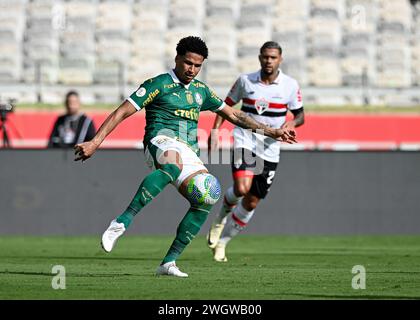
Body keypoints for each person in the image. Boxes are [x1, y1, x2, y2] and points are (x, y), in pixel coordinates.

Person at [74, 36, 297, 278]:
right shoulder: (158, 84)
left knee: (208, 195)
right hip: (160, 141)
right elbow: (121, 112)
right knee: (173, 161)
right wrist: (96, 142)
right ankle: (121, 222)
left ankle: (168, 262)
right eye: (188, 63)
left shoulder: (201, 91)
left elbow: (235, 115)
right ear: (177, 58)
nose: (192, 69)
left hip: (189, 151)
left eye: (197, 65)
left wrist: (272, 131)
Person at [206, 41, 305, 262]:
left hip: (270, 149)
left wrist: (291, 124)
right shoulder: (245, 81)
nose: (268, 61)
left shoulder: (289, 85)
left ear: (280, 59)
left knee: (251, 202)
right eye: (265, 57)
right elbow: (225, 106)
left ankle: (222, 243)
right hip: (246, 140)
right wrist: (214, 131)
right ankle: (220, 217)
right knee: (242, 188)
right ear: (260, 58)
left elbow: (300, 115)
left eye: (273, 57)